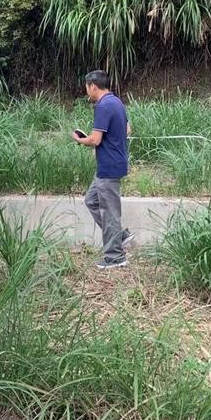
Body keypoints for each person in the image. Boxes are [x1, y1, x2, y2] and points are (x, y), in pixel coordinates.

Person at [72, 70, 133, 270]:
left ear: (93, 86)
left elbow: (95, 139)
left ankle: (115, 256)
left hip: (109, 167)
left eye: (86, 87)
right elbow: (127, 129)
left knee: (110, 212)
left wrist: (80, 139)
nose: (86, 91)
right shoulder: (116, 102)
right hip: (113, 164)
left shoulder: (103, 106)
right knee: (91, 200)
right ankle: (119, 236)